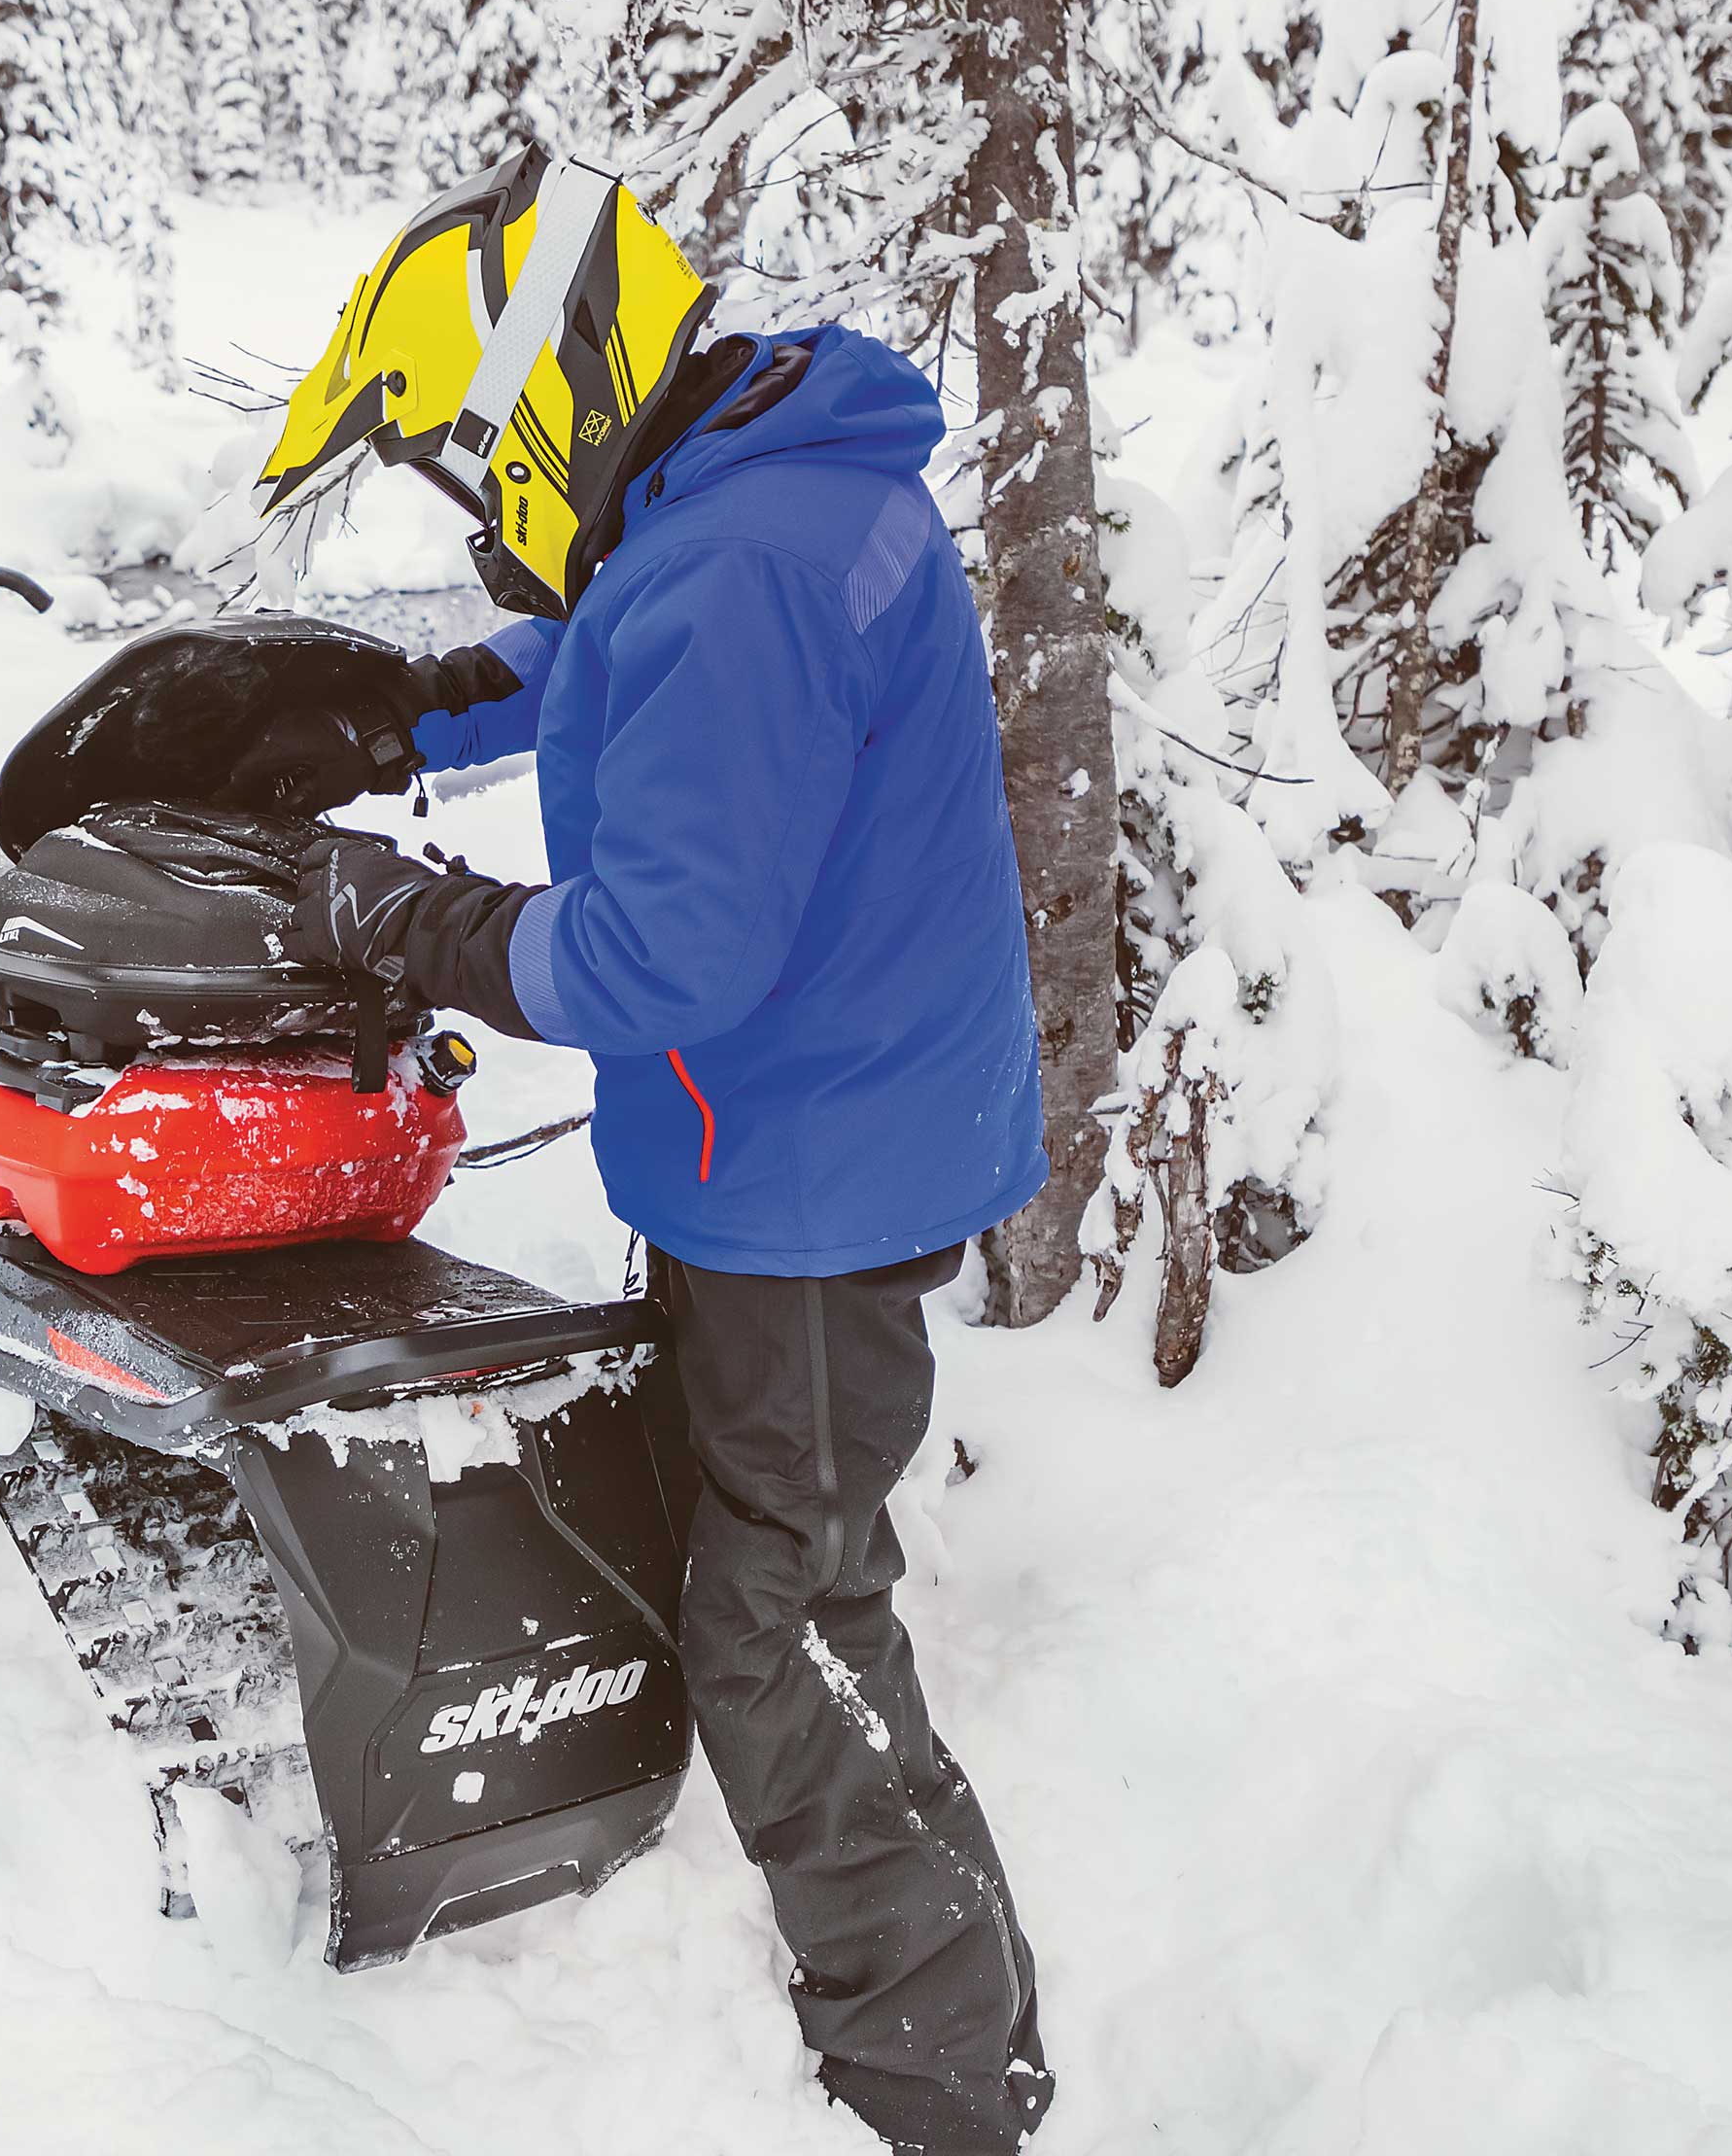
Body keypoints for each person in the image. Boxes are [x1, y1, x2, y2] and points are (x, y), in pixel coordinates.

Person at [250, 154, 1057, 2156]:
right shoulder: (769, 482)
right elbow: (628, 645)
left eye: (459, 460)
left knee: (780, 1620)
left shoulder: (737, 566)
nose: (477, 511)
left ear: (540, 395)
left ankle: (939, 2079)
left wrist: (407, 920)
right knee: (765, 1544)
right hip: (838, 1125)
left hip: (804, 1174)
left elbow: (660, 955)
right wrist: (414, 713)